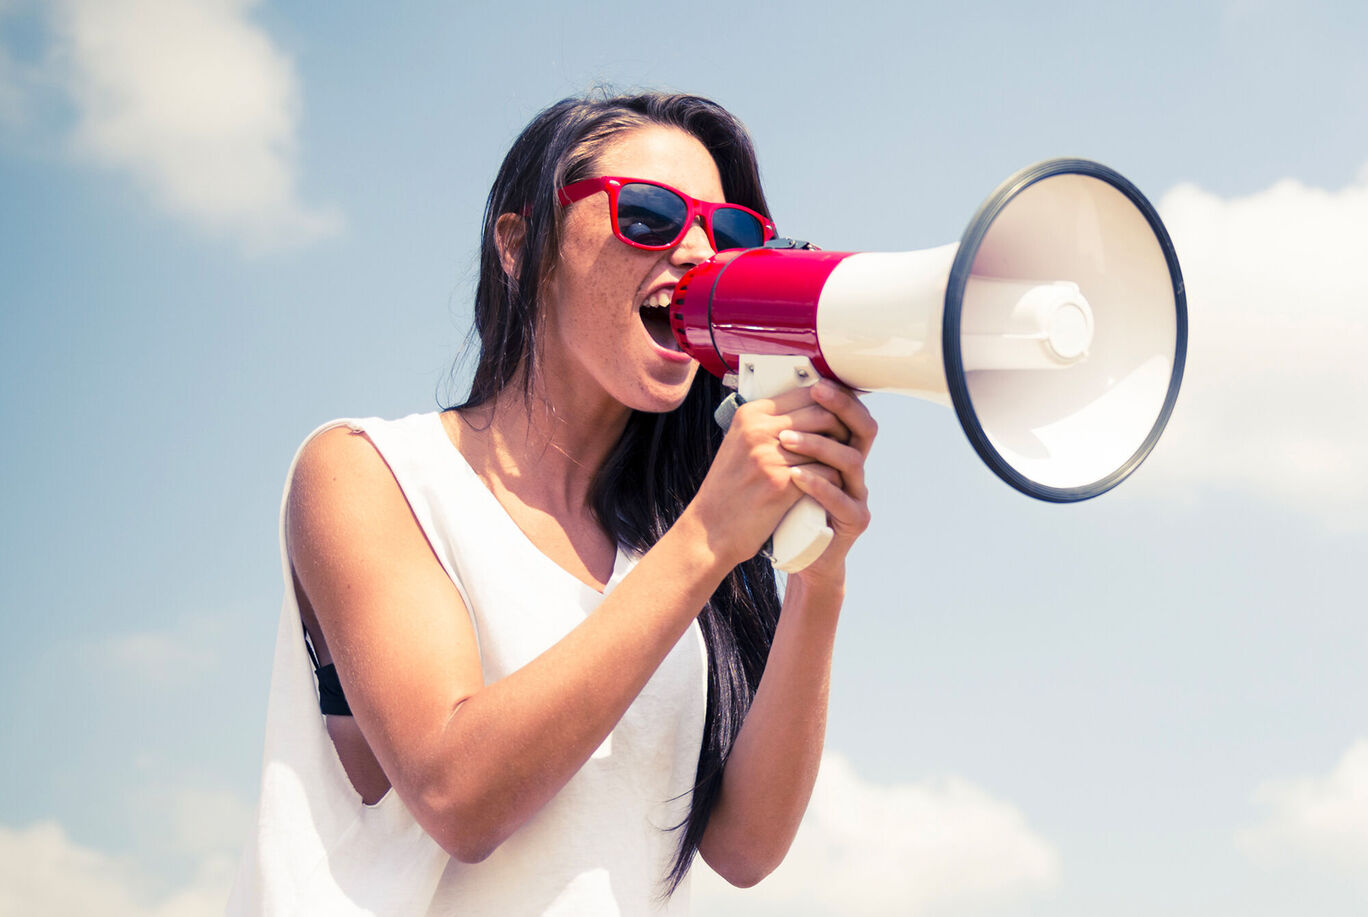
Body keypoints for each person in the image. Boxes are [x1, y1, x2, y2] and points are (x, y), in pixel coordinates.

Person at [229, 90, 878, 916]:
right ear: (519, 243)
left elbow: (744, 847)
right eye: (648, 215)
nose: (697, 252)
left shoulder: (666, 545)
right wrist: (711, 533)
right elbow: (459, 793)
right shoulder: (370, 472)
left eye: (730, 234)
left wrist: (820, 575)